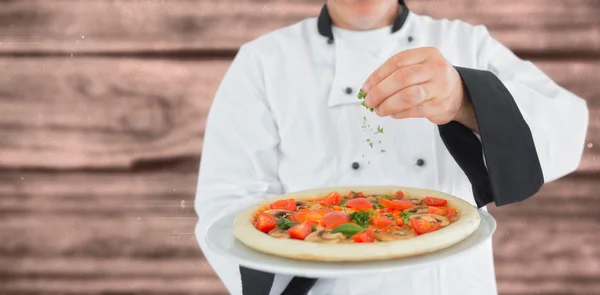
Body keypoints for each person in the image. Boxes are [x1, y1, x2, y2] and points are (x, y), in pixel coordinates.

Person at [194, 0, 589, 294]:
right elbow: (228, 202)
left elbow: (567, 132)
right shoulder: (264, 61)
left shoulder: (465, 42)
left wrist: (467, 100)